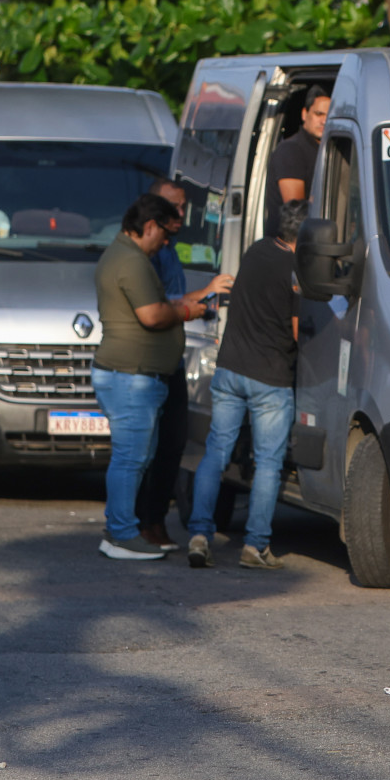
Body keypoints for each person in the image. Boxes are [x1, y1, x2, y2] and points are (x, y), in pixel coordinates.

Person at [92, 193, 231, 560]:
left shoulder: (128, 256)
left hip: (132, 376)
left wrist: (196, 299)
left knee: (134, 456)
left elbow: (162, 304)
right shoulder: (132, 261)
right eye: (164, 235)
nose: (167, 244)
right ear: (149, 226)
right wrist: (189, 312)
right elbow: (152, 315)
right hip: (131, 377)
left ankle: (121, 529)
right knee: (130, 458)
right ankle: (122, 534)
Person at [186, 200, 305, 571]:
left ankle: (200, 535)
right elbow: (298, 331)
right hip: (270, 378)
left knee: (216, 453)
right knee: (268, 463)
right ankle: (255, 547)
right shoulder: (296, 271)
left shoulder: (255, 251)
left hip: (231, 370)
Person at [133, 179, 192, 553]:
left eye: (183, 207)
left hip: (173, 357)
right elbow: (154, 309)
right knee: (146, 448)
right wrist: (189, 306)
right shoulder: (144, 254)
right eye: (173, 208)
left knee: (173, 442)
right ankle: (142, 522)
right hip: (148, 361)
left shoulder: (170, 250)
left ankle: (156, 520)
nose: (181, 215)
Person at [265, 85, 329, 232]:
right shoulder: (291, 150)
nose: (324, 121)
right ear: (304, 114)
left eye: (329, 115)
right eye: (319, 114)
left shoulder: (329, 150)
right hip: (289, 246)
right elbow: (297, 212)